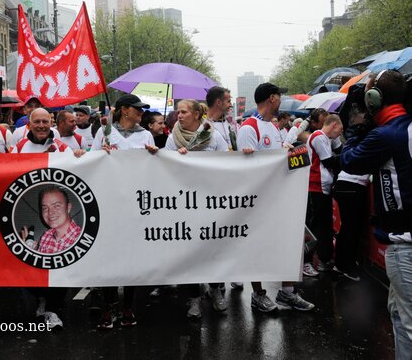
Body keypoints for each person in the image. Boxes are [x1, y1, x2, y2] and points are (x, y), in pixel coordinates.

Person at [341, 69, 412, 359]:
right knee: (398, 314)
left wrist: (358, 124)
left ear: (374, 99)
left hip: (404, 245)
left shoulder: (386, 135)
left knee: (408, 323)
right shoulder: (403, 128)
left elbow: (349, 160)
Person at [237, 83, 315, 313]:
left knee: (287, 243)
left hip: (280, 199)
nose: (280, 100)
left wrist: (291, 154)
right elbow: (244, 171)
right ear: (272, 98)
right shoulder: (248, 128)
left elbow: (278, 161)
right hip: (259, 202)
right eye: (279, 96)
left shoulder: (272, 126)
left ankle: (287, 292)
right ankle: (258, 294)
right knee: (258, 247)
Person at [10, 108, 83, 330]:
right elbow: (5, 170)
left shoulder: (62, 147)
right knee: (27, 263)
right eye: (37, 121)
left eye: (45, 121)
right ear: (29, 124)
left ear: (51, 123)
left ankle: (53, 309)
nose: (41, 125)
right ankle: (41, 297)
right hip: (28, 211)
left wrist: (79, 156)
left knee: (59, 265)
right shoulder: (19, 147)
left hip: (56, 213)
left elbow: (77, 171)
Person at [92, 94, 159, 329]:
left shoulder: (146, 135)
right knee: (109, 256)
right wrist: (100, 153)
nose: (141, 112)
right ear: (124, 110)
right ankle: (108, 305)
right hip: (109, 203)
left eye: (142, 109)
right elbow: (91, 162)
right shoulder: (105, 132)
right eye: (136, 108)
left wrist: (155, 156)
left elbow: (154, 170)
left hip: (134, 204)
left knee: (131, 256)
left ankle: (128, 306)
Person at [166, 99, 229, 317]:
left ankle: (215, 289)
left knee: (213, 248)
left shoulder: (214, 136)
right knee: (189, 251)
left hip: (210, 200)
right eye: (178, 112)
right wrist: (176, 159)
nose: (179, 115)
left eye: (183, 112)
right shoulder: (172, 138)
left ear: (195, 114)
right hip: (184, 202)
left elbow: (228, 163)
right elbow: (165, 168)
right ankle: (193, 298)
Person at [304, 114, 343, 275]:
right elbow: (329, 161)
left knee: (325, 225)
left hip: (323, 187)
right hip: (316, 187)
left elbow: (339, 150)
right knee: (317, 226)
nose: (340, 133)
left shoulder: (326, 138)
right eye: (340, 129)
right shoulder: (318, 137)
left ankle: (323, 259)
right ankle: (309, 261)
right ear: (334, 125)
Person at [20, 186, 81, 254]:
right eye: (45, 208)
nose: (50, 212)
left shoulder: (81, 239)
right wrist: (31, 252)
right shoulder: (46, 236)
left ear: (68, 208)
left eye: (56, 206)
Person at [206, 86, 237, 151]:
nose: (231, 105)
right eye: (228, 101)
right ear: (218, 102)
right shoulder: (202, 126)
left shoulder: (228, 124)